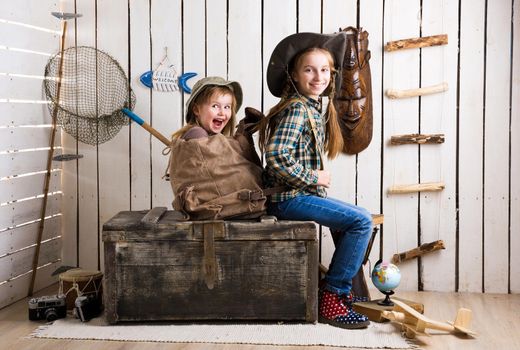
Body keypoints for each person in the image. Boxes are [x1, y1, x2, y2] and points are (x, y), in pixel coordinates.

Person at [258, 32, 373, 329]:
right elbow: (276, 155)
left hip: (298, 197)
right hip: (288, 200)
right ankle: (333, 297)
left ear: (332, 74)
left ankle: (340, 291)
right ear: (294, 75)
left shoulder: (310, 106)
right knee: (361, 221)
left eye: (324, 70)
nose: (317, 76)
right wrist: (314, 176)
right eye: (309, 69)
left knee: (355, 221)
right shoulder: (297, 108)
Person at [172, 76, 242, 140]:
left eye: (227, 107)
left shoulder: (213, 137)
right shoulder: (197, 133)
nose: (222, 113)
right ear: (196, 110)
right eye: (215, 106)